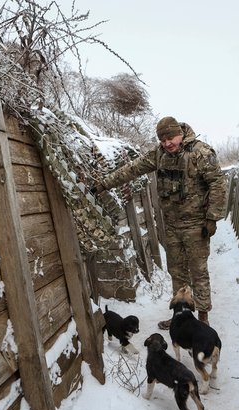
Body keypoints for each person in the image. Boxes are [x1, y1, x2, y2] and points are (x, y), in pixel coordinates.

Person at [94, 116, 227, 328]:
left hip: (196, 226)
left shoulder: (201, 153)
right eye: (163, 140)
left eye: (171, 138)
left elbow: (217, 185)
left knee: (198, 271)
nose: (167, 144)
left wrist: (212, 218)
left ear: (180, 133)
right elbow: (132, 169)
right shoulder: (159, 154)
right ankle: (180, 318)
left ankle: (202, 319)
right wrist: (103, 185)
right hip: (172, 226)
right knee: (177, 272)